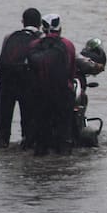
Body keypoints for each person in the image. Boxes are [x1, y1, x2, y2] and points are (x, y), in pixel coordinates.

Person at [27, 14, 77, 155]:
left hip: (39, 95)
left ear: (43, 28)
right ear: (60, 29)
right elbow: (71, 72)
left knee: (41, 135)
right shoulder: (67, 45)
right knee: (64, 132)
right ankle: (64, 159)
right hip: (62, 94)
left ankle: (40, 158)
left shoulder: (34, 45)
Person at [0, 8, 43, 149]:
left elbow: (2, 60)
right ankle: (26, 148)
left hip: (6, 81)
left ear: (22, 22)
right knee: (28, 123)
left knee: (3, 124)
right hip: (27, 83)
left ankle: (2, 148)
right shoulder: (41, 38)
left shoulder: (9, 37)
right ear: (39, 23)